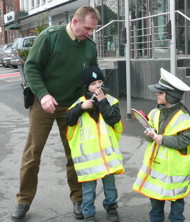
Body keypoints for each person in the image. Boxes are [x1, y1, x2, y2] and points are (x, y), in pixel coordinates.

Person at [11, 6, 101, 222]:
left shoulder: (89, 46)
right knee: (32, 155)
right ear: (75, 22)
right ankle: (23, 201)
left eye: (93, 29)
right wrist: (43, 95)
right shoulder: (50, 37)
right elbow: (31, 67)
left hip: (72, 107)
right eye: (88, 28)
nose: (90, 32)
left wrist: (94, 93)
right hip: (43, 105)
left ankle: (78, 199)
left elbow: (92, 76)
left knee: (75, 156)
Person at [133, 68, 190, 222]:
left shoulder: (184, 119)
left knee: (176, 209)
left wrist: (161, 139)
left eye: (160, 92)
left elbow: (185, 141)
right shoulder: (155, 112)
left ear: (171, 96)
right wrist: (150, 136)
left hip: (175, 172)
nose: (156, 94)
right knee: (155, 207)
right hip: (157, 171)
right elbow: (152, 133)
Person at [65, 66, 125, 222]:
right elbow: (69, 119)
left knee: (110, 188)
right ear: (87, 87)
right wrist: (81, 108)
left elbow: (113, 119)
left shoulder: (111, 101)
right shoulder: (80, 103)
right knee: (88, 189)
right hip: (88, 160)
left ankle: (111, 208)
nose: (97, 86)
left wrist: (102, 101)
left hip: (107, 157)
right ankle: (88, 213)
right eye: (93, 84)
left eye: (99, 82)